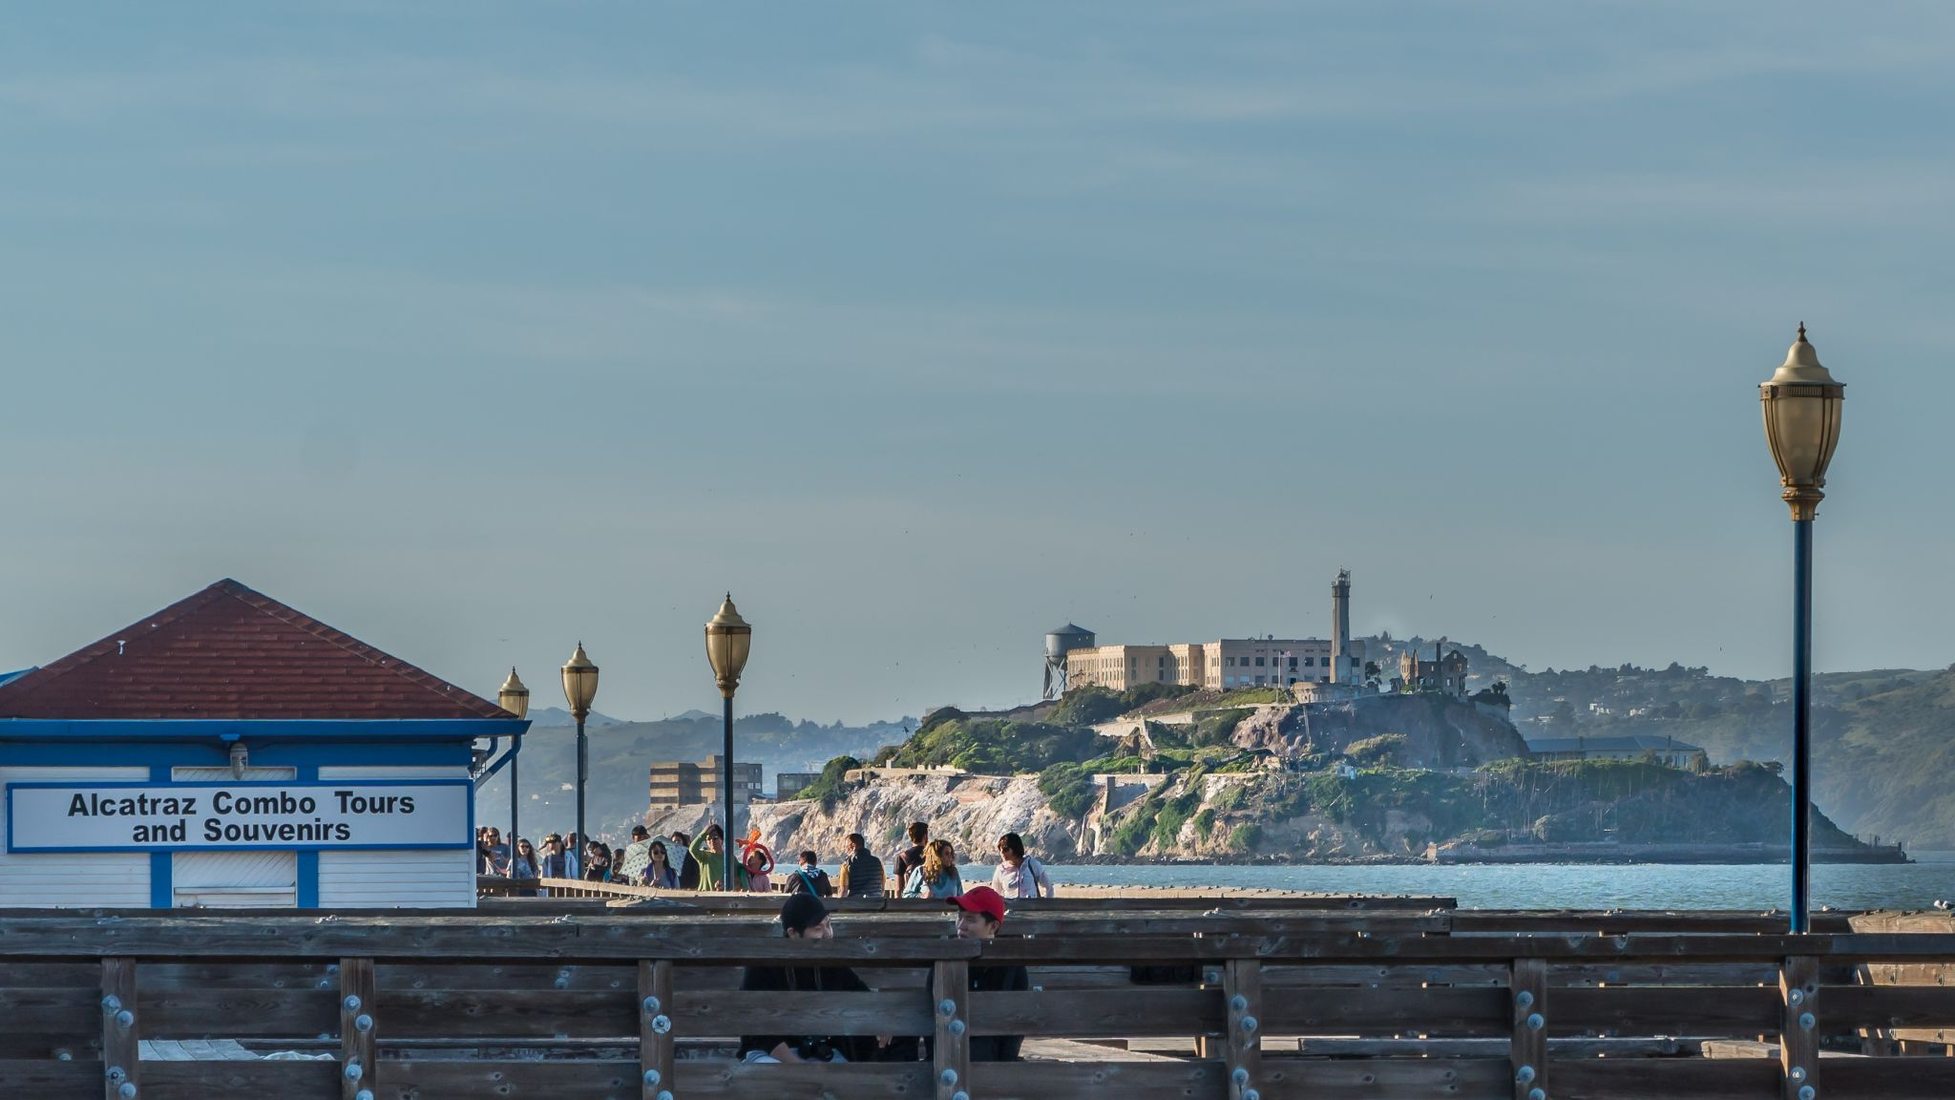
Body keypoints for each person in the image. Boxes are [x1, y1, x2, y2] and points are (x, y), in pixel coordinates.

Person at [736, 894, 876, 1063]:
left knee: (848, 1077)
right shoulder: (765, 965)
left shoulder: (832, 963)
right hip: (769, 1053)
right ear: (793, 933)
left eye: (829, 925)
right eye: (818, 928)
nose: (827, 934)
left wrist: (883, 1023)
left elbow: (862, 996)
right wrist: (800, 1068)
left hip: (819, 1052)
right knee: (775, 1078)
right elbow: (759, 1030)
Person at [944, 886, 1029, 1061]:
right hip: (948, 1052)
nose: (961, 926)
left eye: (970, 919)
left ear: (993, 926)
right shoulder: (944, 959)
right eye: (959, 917)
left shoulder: (1011, 967)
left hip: (994, 1061)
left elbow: (1015, 1025)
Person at [990, 833, 1054, 899]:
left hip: (1030, 908)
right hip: (1011, 908)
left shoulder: (1032, 864)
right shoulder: (1000, 869)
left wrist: (1044, 905)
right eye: (1000, 850)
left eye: (1006, 849)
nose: (1002, 853)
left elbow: (1049, 887)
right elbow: (995, 894)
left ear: (1015, 848)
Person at [837, 832, 885, 898]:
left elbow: (844, 891)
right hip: (877, 903)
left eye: (846, 847)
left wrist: (839, 906)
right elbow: (882, 888)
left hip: (856, 905)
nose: (845, 850)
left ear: (853, 846)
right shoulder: (878, 862)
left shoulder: (847, 865)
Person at [891, 821, 929, 896]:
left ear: (910, 837)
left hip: (911, 902)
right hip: (931, 900)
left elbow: (898, 889)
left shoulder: (902, 857)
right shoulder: (933, 856)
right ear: (925, 836)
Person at [690, 825, 728, 890]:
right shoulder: (704, 856)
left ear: (721, 839)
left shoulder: (729, 858)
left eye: (715, 838)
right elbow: (692, 849)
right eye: (708, 839)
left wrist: (724, 884)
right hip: (705, 896)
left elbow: (739, 872)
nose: (712, 841)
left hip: (723, 896)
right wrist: (704, 833)